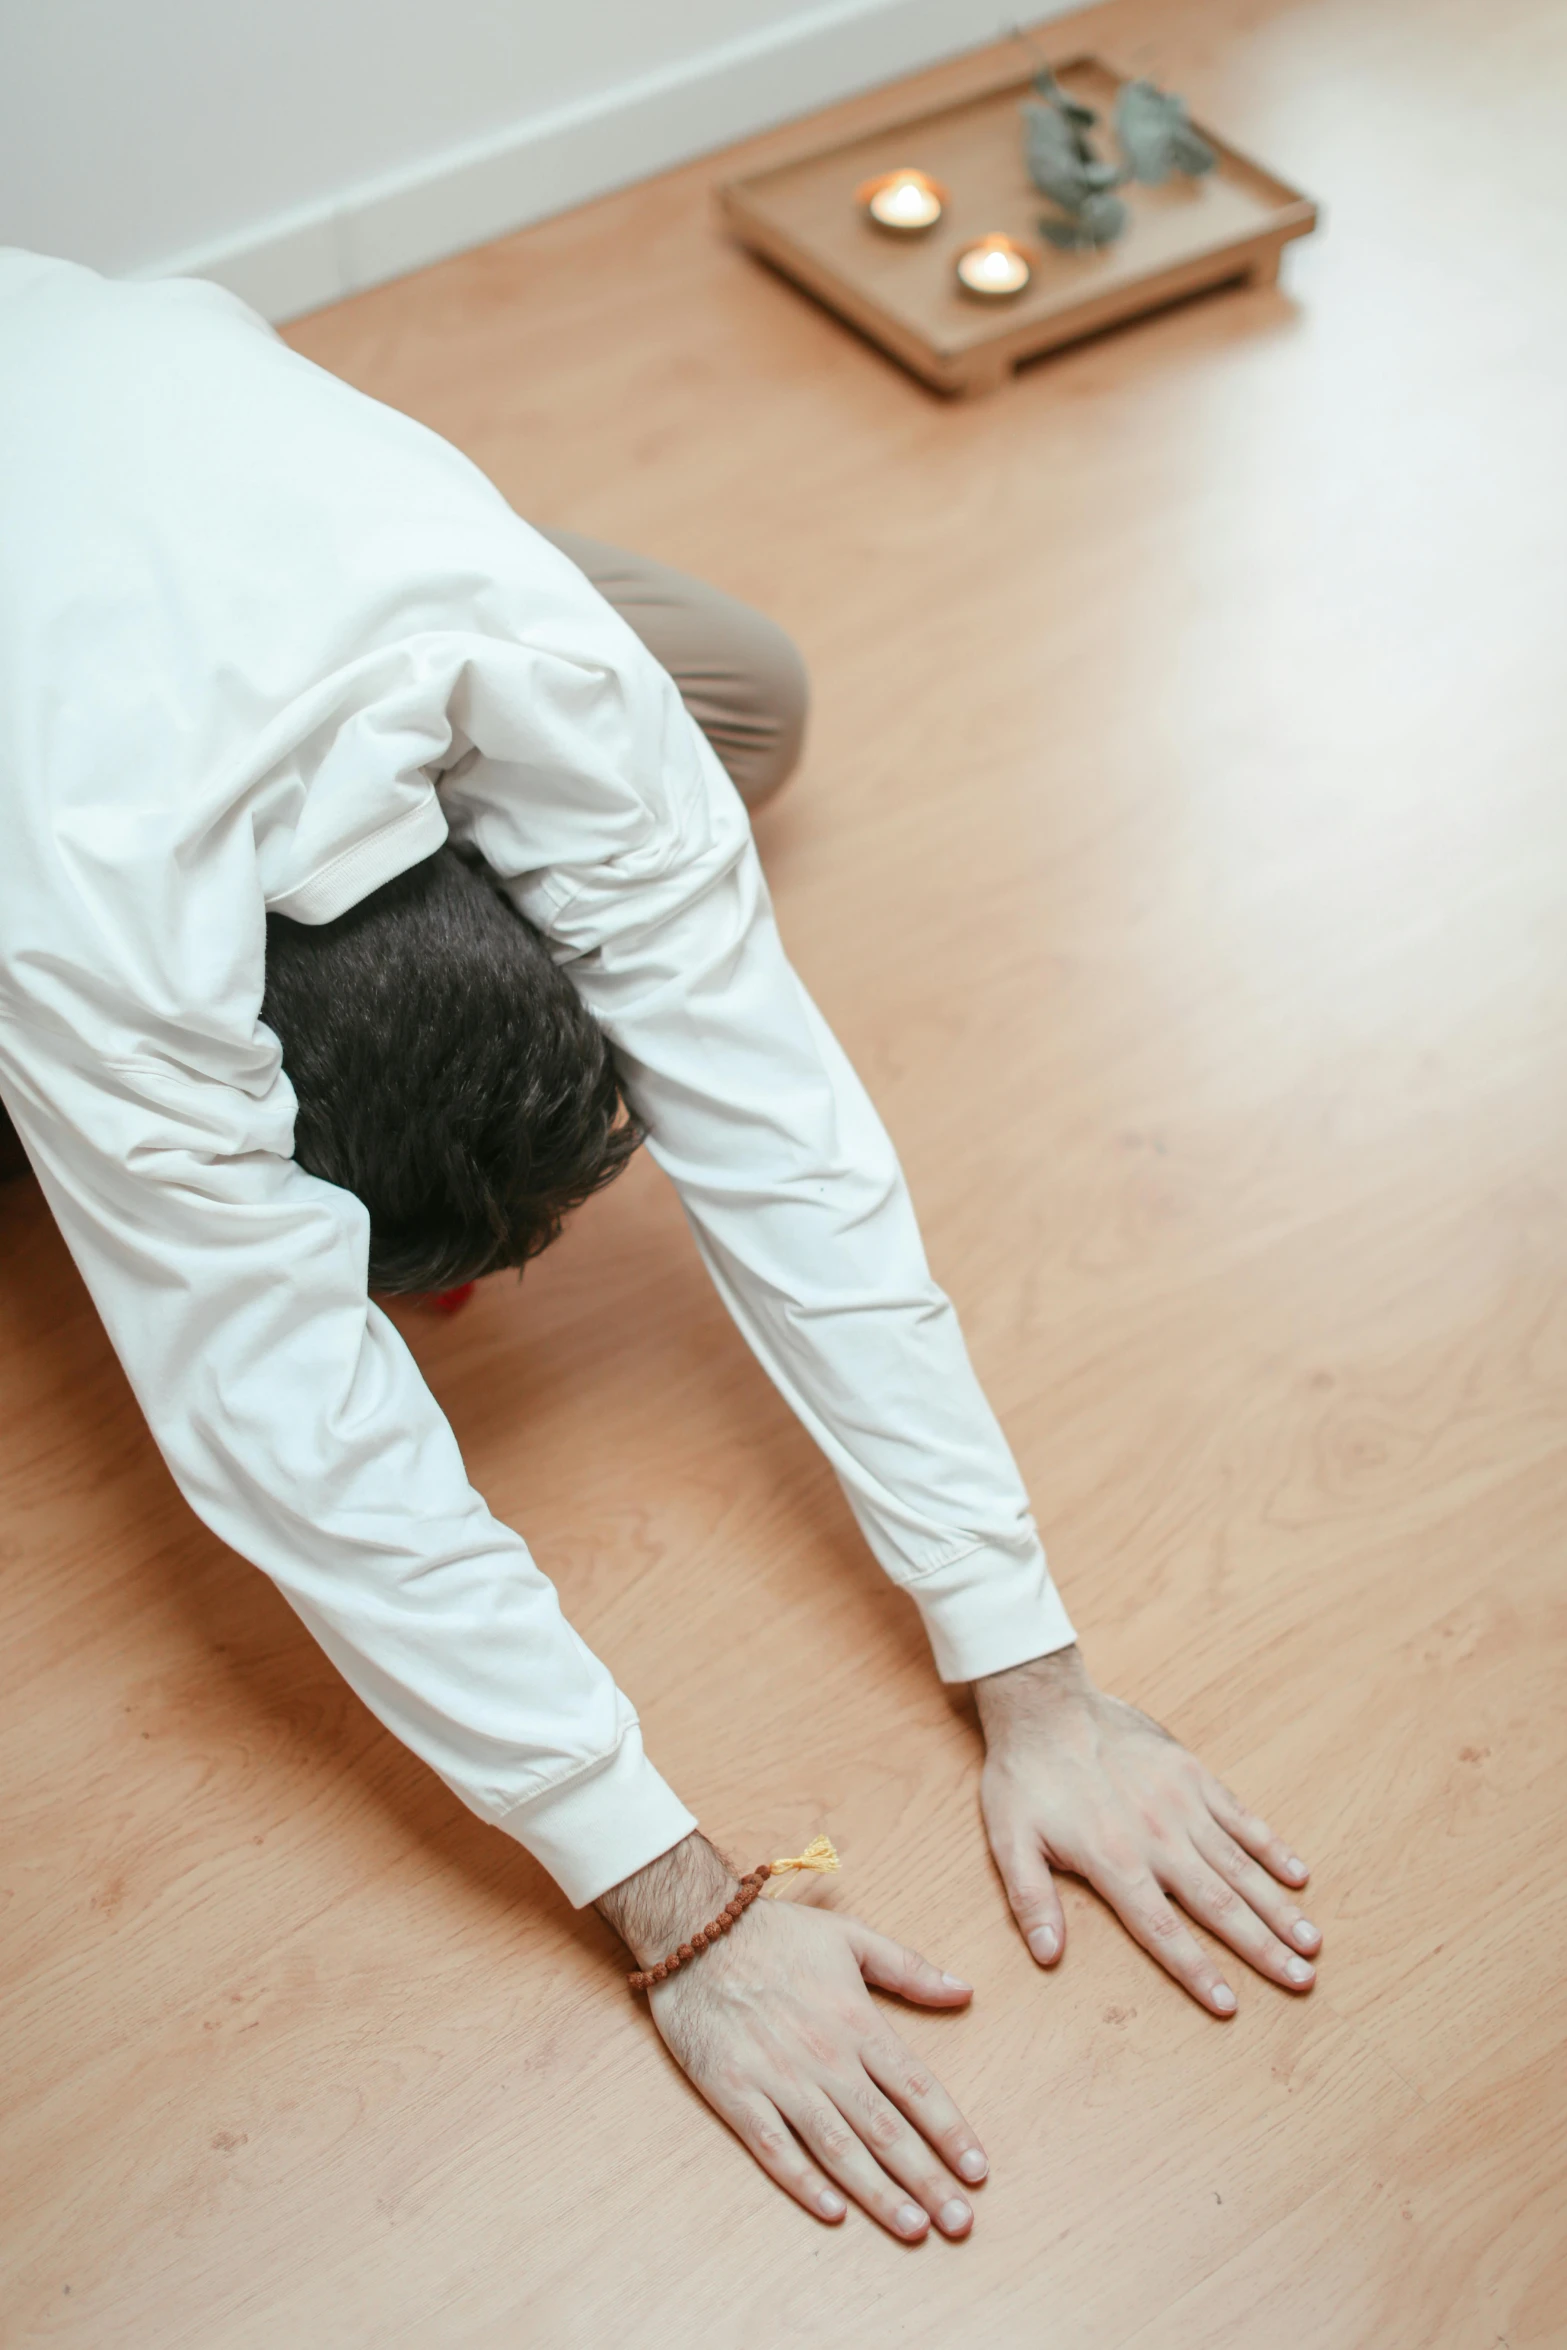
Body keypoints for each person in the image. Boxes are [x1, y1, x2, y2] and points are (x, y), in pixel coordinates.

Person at [0, 248, 1322, 2246]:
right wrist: (676, 1904)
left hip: (240, 533)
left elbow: (796, 1153)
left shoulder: (559, 695)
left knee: (746, 702)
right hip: (63, 723)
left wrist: (1035, 1674)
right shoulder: (93, 930)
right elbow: (299, 1456)